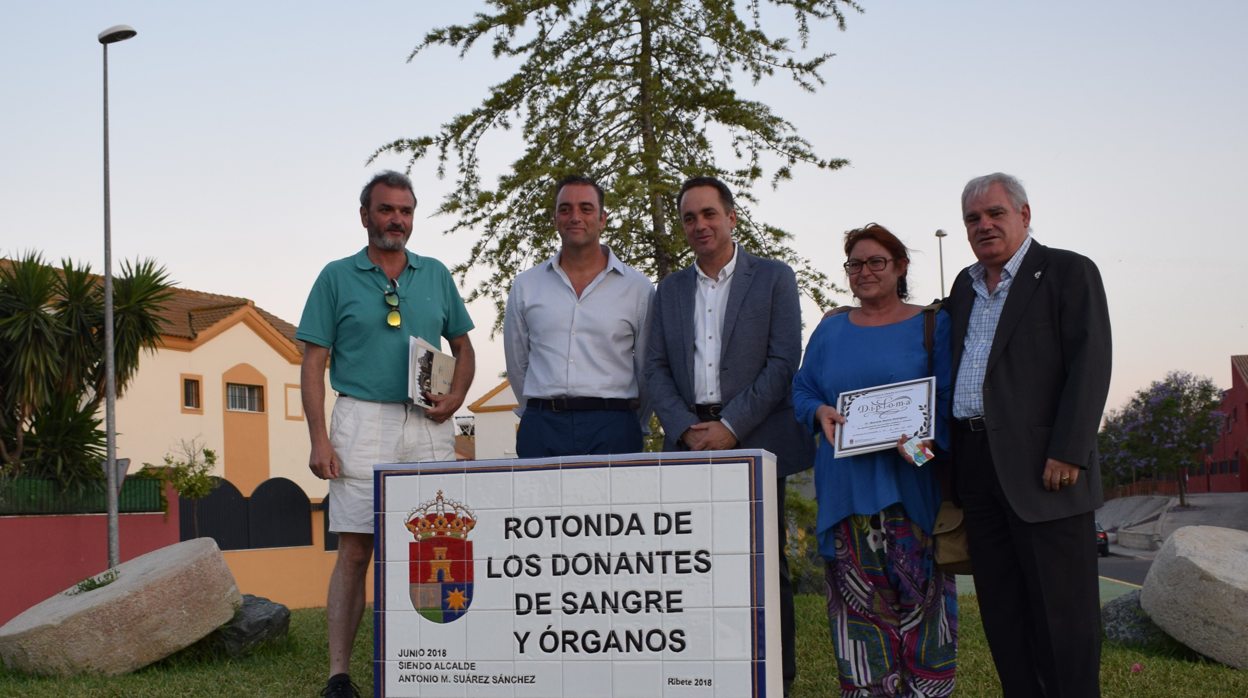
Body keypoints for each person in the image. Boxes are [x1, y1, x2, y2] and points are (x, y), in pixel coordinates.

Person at [296, 170, 476, 698]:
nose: (396, 219)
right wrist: (318, 439)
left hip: (428, 421)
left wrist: (458, 396)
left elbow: (464, 347)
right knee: (356, 549)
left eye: (405, 211)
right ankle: (338, 675)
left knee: (435, 541)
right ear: (365, 215)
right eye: (386, 209)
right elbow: (313, 363)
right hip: (360, 421)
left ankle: (434, 664)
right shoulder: (335, 276)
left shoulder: (437, 274)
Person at [645, 176, 815, 697]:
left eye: (709, 214)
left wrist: (731, 427)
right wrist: (684, 428)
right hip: (690, 440)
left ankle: (775, 677)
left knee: (765, 567)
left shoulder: (774, 278)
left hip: (757, 438)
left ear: (732, 216)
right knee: (696, 566)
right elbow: (654, 369)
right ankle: (705, 674)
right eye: (690, 218)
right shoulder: (669, 289)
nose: (700, 225)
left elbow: (785, 361)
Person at [948, 173, 1111, 698]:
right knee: (1004, 618)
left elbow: (1091, 363)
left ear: (1024, 213)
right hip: (976, 469)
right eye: (973, 218)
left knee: (1064, 626)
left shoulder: (1067, 271)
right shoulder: (963, 287)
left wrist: (1069, 449)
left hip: (1047, 472)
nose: (984, 225)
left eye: (995, 213)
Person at [792, 224, 958, 698]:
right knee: (859, 625)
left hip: (914, 490)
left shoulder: (932, 324)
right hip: (847, 492)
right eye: (855, 264)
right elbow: (803, 389)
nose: (864, 272)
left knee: (925, 620)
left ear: (901, 267)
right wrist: (820, 411)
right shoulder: (830, 328)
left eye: (875, 262)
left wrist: (920, 448)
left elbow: (946, 407)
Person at [503, 175, 653, 457]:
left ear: (603, 218)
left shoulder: (638, 288)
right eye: (565, 209)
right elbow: (517, 362)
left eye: (586, 208)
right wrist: (538, 410)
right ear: (555, 218)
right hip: (542, 426)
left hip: (614, 426)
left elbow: (646, 368)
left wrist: (634, 422)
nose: (575, 217)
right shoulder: (526, 285)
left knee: (615, 503)